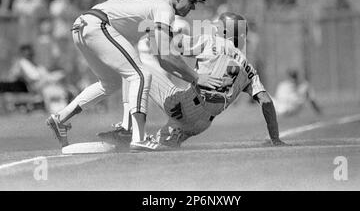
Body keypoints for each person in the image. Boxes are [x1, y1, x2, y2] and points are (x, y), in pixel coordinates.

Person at [46, 0, 222, 149]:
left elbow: (163, 59)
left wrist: (192, 78)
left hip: (82, 26)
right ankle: (138, 137)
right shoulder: (164, 8)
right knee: (141, 75)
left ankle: (61, 118)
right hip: (97, 25)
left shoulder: (155, 5)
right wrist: (197, 78)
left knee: (111, 83)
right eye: (191, 0)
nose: (192, 7)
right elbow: (168, 57)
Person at [99, 12, 286, 150]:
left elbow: (172, 47)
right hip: (201, 124)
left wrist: (158, 30)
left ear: (224, 31)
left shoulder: (212, 41)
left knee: (133, 69)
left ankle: (127, 128)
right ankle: (168, 137)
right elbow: (267, 102)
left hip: (183, 104)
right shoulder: (249, 69)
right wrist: (275, 138)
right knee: (158, 149)